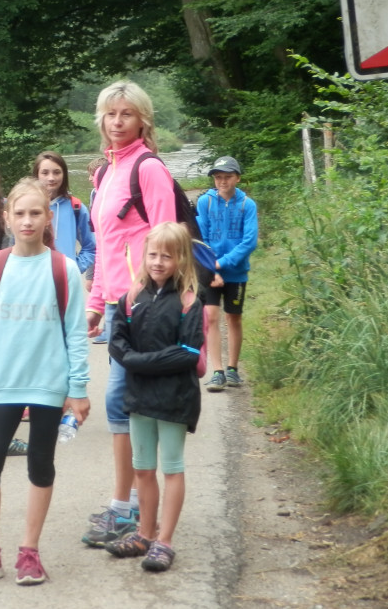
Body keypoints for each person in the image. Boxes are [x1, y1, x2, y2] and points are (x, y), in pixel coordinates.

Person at [0, 179, 90, 587]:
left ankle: (30, 551)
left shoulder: (63, 269)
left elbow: (76, 333)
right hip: (2, 386)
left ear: (48, 219)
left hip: (48, 384)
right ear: (6, 218)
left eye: (35, 213)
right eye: (20, 213)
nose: (27, 221)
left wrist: (78, 389)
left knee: (40, 464)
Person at [82, 81, 176, 549]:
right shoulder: (105, 173)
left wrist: (153, 302)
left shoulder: (148, 168)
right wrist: (97, 303)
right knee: (126, 406)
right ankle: (133, 505)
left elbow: (169, 242)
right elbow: (106, 246)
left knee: (124, 404)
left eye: (126, 114)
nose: (117, 122)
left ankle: (128, 509)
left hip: (146, 307)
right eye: (110, 113)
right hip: (120, 308)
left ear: (142, 120)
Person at [103, 222, 203, 573]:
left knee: (172, 467)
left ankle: (165, 540)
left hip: (175, 398)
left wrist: (139, 363)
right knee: (142, 468)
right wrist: (132, 360)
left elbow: (188, 352)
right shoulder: (132, 297)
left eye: (167, 256)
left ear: (181, 259)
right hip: (139, 397)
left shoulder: (189, 300)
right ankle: (144, 533)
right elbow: (117, 340)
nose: (158, 262)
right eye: (153, 254)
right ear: (143, 256)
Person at [196, 156, 258, 392]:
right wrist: (212, 268)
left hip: (236, 272)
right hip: (209, 271)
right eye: (218, 177)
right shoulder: (205, 202)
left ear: (237, 178)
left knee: (233, 317)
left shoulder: (247, 205)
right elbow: (201, 239)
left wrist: (222, 264)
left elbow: (249, 242)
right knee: (211, 317)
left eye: (228, 177)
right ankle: (217, 372)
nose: (222, 181)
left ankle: (233, 369)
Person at [33, 151, 96, 278]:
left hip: (65, 282)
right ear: (37, 175)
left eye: (57, 172)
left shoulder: (76, 207)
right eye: (45, 173)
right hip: (33, 279)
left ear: (64, 175)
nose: (51, 178)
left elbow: (91, 247)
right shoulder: (27, 207)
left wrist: (75, 268)